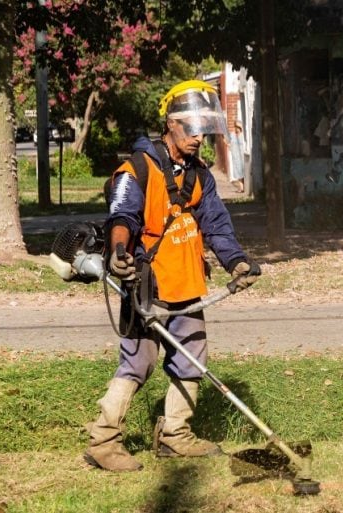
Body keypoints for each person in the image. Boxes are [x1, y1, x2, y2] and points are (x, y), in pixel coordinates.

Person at [84, 80, 262, 472]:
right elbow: (121, 218)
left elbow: (216, 225)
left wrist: (236, 262)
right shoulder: (137, 170)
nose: (199, 137)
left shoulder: (199, 175)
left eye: (204, 128)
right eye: (191, 128)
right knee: (138, 363)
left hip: (188, 285)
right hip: (147, 284)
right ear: (170, 124)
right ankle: (103, 440)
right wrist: (117, 254)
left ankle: (175, 436)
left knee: (192, 359)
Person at [228, 118, 246, 193]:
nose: (236, 128)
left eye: (238, 127)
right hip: (236, 156)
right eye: (235, 127)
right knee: (238, 172)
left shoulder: (243, 135)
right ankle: (241, 188)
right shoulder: (232, 135)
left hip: (242, 156)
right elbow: (229, 144)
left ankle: (243, 187)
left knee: (243, 171)